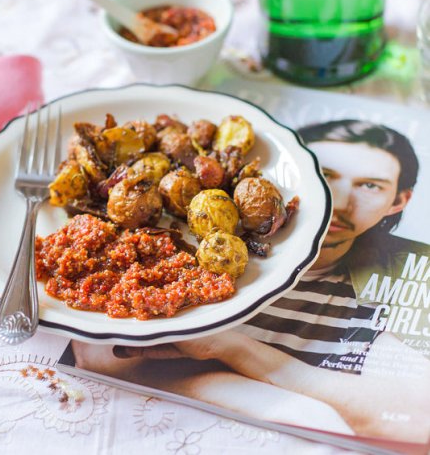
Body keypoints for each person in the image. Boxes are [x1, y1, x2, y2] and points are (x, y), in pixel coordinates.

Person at [68, 120, 430, 443]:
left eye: (369, 185)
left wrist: (230, 349)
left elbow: (411, 420)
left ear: (399, 201)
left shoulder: (398, 282)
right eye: (328, 176)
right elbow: (97, 359)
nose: (341, 201)